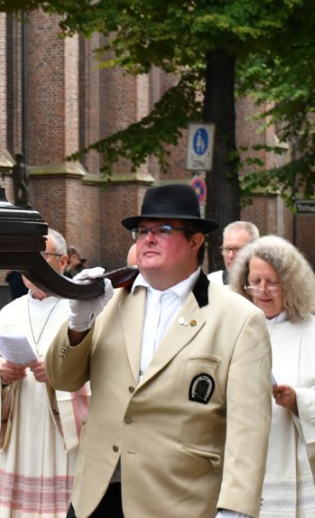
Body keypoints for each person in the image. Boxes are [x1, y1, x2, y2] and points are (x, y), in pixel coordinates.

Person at [46, 183, 272, 518]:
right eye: (142, 230)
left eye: (163, 230)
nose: (148, 239)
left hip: (178, 500)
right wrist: (78, 325)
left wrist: (235, 509)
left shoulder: (238, 318)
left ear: (195, 241)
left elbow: (249, 429)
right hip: (96, 495)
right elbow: (62, 379)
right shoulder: (108, 301)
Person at [0, 229, 89, 518]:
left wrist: (60, 375)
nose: (32, 266)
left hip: (63, 433)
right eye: (26, 258)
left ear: (64, 261)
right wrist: (2, 375)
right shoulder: (7, 312)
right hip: (19, 426)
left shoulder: (80, 309)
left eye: (42, 257)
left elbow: (100, 373)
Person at [230, 235, 315, 517]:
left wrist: (297, 400)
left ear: (291, 284)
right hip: (240, 463)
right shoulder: (233, 330)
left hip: (293, 462)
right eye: (255, 281)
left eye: (272, 282)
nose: (262, 290)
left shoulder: (310, 331)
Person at [208, 220, 259, 285]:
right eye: (227, 249)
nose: (230, 255)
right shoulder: (210, 284)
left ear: (254, 251)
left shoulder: (264, 287)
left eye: (237, 249)